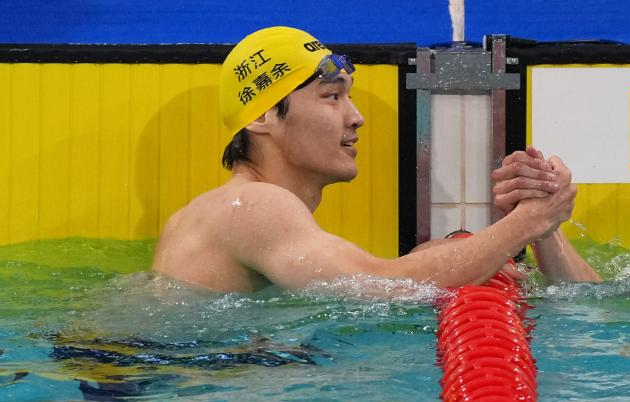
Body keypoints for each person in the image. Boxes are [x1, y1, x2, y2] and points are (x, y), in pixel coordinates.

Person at [151, 26, 583, 294]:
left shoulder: (223, 212)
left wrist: (538, 228)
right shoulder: (253, 206)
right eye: (331, 97)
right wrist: (525, 223)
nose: (355, 117)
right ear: (263, 117)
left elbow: (376, 278)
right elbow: (381, 287)